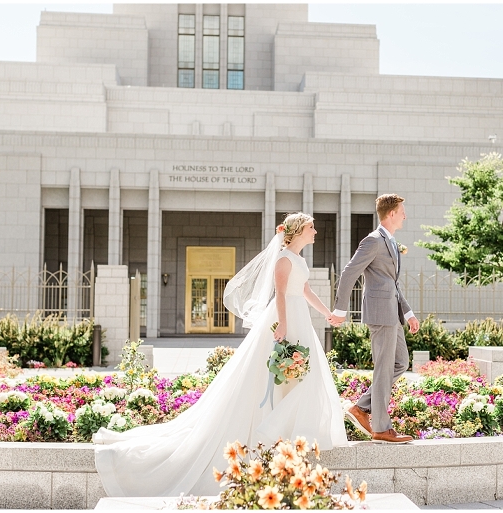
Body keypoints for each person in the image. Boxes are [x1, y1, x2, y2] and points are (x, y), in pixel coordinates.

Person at [92, 213, 347, 497]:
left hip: (302, 320)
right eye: (311, 227)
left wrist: (328, 314)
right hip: (286, 319)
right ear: (298, 231)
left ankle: (293, 431)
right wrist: (284, 325)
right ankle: (272, 432)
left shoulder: (299, 260)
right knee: (278, 375)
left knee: (302, 376)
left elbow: (305, 290)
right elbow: (282, 295)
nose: (315, 232)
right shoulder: (284, 259)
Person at [330, 194, 420, 444]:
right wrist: (340, 309)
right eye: (402, 211)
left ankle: (360, 408)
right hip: (380, 315)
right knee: (384, 368)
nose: (405, 215)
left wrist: (409, 312)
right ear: (391, 214)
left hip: (394, 314)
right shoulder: (372, 241)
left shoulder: (391, 242)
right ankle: (381, 427)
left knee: (400, 363)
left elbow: (392, 283)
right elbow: (349, 272)